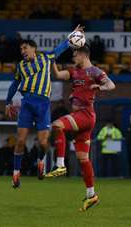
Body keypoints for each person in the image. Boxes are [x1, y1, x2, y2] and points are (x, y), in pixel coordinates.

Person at [5, 25, 84, 188]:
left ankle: (41, 162)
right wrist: (8, 101)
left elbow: (61, 48)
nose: (23, 51)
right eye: (21, 49)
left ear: (33, 49)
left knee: (43, 143)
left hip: (43, 105)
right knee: (20, 141)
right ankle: (15, 174)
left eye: (25, 48)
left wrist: (73, 35)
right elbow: (14, 84)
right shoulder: (21, 66)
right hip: (26, 104)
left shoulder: (46, 58)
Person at [45, 44, 115, 211]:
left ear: (84, 55)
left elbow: (111, 85)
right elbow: (57, 74)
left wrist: (101, 86)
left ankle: (60, 164)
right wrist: (52, 60)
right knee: (83, 159)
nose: (73, 57)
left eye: (75, 54)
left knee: (57, 125)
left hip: (86, 115)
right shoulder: (73, 70)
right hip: (81, 118)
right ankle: (91, 195)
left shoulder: (95, 72)